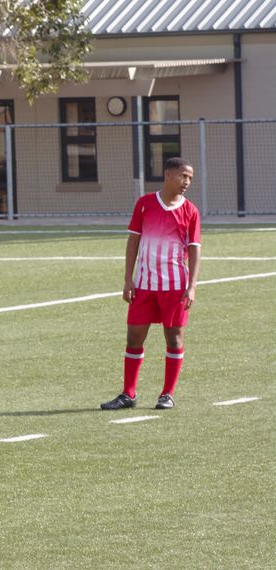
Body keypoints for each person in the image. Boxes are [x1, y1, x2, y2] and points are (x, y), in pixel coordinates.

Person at [102, 157, 200, 411]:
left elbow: (194, 250)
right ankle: (128, 394)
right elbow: (133, 241)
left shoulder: (190, 211)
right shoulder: (145, 204)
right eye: (183, 176)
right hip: (144, 285)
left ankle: (167, 394)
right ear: (168, 175)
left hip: (175, 287)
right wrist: (128, 278)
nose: (187, 182)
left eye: (190, 177)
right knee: (134, 337)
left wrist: (192, 286)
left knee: (174, 338)